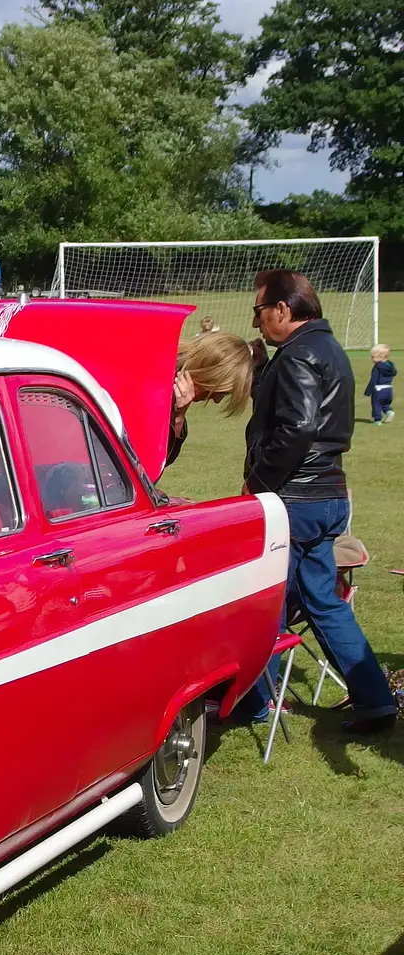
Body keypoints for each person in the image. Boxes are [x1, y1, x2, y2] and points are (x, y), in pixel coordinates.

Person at [242, 270, 396, 735]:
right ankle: (376, 701)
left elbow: (297, 428)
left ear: (283, 310)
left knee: (265, 599)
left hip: (296, 499)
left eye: (259, 311)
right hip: (327, 495)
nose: (257, 322)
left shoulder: (298, 355)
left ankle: (252, 702)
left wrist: (258, 480)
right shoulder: (328, 349)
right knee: (321, 601)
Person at [167, 329, 254, 467]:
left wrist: (178, 416)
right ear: (209, 375)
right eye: (219, 392)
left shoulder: (174, 386)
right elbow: (152, 463)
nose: (216, 400)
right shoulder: (161, 385)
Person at [365, 343, 394, 424]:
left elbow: (373, 380)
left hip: (379, 389)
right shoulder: (390, 366)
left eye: (373, 356)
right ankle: (389, 412)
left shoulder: (377, 367)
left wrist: (368, 391)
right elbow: (394, 373)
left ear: (380, 357)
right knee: (385, 404)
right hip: (389, 389)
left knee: (376, 404)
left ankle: (377, 420)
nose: (371, 358)